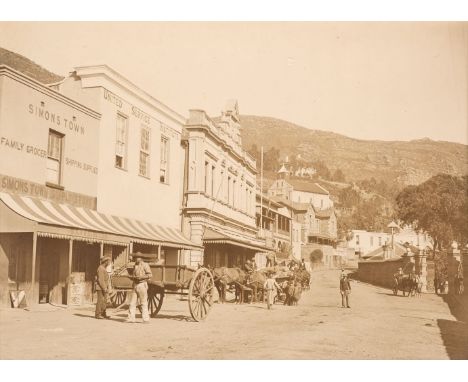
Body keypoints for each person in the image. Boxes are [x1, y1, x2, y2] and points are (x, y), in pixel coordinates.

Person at [127, 253, 153, 323]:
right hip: (135, 284)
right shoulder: (135, 265)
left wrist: (141, 277)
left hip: (142, 284)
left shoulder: (145, 265)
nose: (136, 259)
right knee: (132, 303)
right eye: (135, 257)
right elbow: (133, 274)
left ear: (141, 258)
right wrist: (130, 277)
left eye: (138, 257)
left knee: (143, 302)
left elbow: (150, 275)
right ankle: (131, 318)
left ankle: (146, 319)